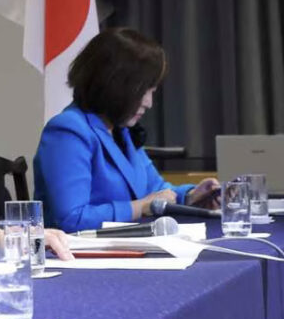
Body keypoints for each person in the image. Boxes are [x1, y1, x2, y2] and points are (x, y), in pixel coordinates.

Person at [34, 27, 220, 232]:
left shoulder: (121, 131)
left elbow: (155, 189)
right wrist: (141, 207)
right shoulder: (68, 130)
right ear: (113, 85)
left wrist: (191, 196)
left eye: (152, 91)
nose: (149, 103)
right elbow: (72, 218)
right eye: (143, 91)